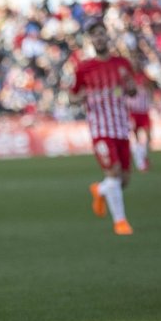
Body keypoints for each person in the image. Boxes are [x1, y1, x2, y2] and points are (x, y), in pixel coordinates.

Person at [69, 22, 139, 236]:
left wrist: (131, 89)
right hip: (100, 129)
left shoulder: (122, 63)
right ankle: (120, 222)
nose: (99, 38)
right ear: (91, 40)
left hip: (121, 127)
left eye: (101, 34)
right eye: (95, 36)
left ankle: (99, 190)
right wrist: (79, 98)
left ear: (107, 37)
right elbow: (72, 96)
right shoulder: (84, 67)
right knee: (114, 173)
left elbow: (133, 91)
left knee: (123, 180)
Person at [125, 68, 155, 172]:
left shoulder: (145, 77)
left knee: (148, 134)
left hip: (144, 111)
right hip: (133, 112)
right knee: (136, 135)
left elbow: (151, 87)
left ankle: (142, 154)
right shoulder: (129, 78)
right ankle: (140, 159)